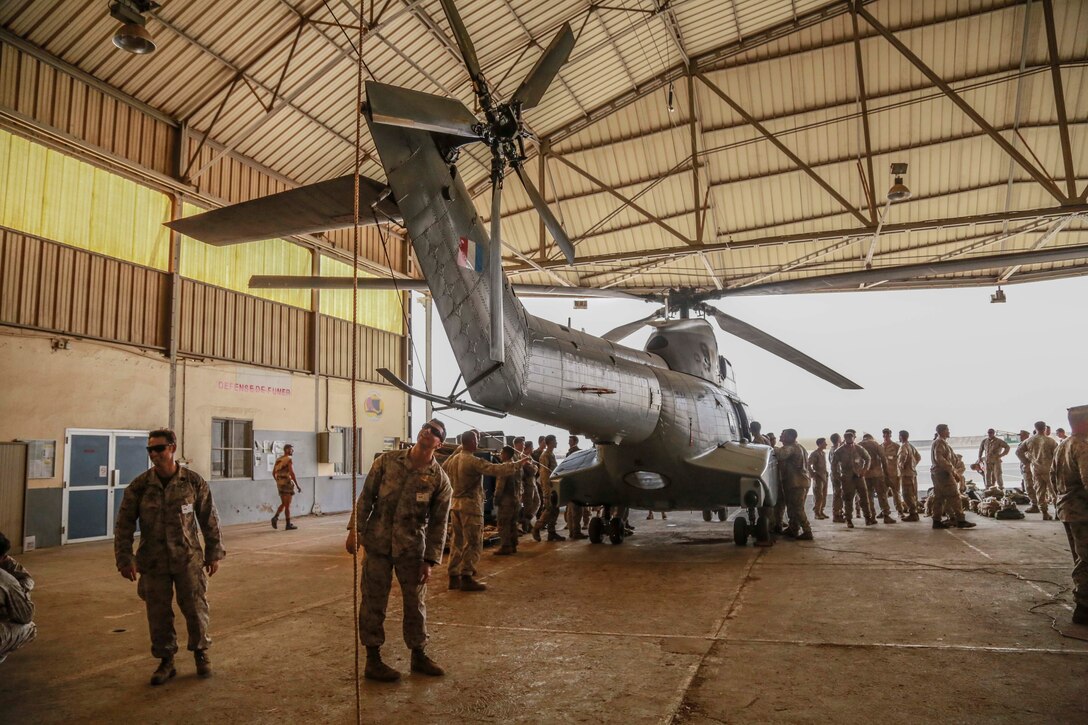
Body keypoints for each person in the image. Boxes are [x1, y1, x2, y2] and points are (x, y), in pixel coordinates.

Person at [114, 428, 225, 685]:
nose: (154, 454)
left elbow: (209, 519)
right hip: (153, 562)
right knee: (158, 613)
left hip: (188, 559)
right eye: (150, 449)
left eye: (159, 448)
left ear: (172, 448)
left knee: (196, 608)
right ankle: (166, 661)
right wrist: (124, 558)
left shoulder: (193, 482)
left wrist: (214, 553)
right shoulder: (140, 486)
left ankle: (201, 652)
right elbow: (124, 525)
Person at [346, 418, 452, 681]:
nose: (427, 431)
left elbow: (440, 523)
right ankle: (373, 659)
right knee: (373, 601)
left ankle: (418, 655)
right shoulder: (387, 461)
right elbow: (366, 497)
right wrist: (354, 530)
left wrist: (430, 560)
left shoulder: (439, 480)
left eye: (435, 432)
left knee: (415, 603)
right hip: (378, 544)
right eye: (426, 427)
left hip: (412, 550)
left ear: (439, 444)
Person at [442, 430, 522, 591]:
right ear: (471, 441)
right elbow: (495, 469)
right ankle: (467, 576)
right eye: (477, 439)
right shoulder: (472, 461)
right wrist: (519, 463)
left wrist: (459, 449)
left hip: (455, 505)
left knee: (456, 542)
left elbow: (443, 467)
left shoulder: (453, 460)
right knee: (473, 542)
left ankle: (453, 576)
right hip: (470, 507)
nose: (478, 442)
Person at [1052, 405, 1088, 625]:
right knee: (1086, 559)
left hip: (1067, 509)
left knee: (1081, 556)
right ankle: (1084, 606)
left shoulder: (1062, 445)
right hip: (1082, 511)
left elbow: (1053, 478)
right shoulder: (1082, 446)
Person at [0, 531, 35, 664]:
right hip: (11, 590)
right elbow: (25, 616)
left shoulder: (7, 563)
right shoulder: (5, 580)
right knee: (29, 627)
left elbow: (27, 579)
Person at [932, 424, 976, 530]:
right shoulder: (939, 443)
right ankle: (960, 520)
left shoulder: (942, 443)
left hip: (940, 473)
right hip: (944, 474)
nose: (949, 432)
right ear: (941, 431)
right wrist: (953, 472)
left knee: (939, 497)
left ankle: (936, 521)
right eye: (947, 430)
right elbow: (940, 459)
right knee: (955, 496)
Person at [775, 429, 813, 540]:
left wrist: (771, 447)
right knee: (791, 507)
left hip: (797, 483)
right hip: (800, 481)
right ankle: (793, 528)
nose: (780, 436)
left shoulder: (791, 448)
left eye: (783, 435)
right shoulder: (800, 447)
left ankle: (807, 530)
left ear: (790, 437)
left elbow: (781, 455)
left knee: (797, 508)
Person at [830, 431, 870, 529]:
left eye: (851, 438)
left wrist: (864, 470)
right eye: (847, 438)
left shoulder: (859, 449)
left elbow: (868, 458)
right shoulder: (839, 451)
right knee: (848, 499)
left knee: (864, 497)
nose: (849, 440)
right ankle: (849, 519)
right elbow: (833, 465)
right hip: (847, 478)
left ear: (853, 438)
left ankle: (867, 517)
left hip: (859, 476)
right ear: (844, 438)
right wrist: (838, 476)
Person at [532, 435, 564, 542]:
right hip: (549, 488)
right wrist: (547, 491)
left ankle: (551, 532)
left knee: (555, 510)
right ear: (550, 442)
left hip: (554, 487)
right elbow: (544, 474)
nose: (557, 443)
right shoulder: (544, 455)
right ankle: (536, 528)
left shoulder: (551, 454)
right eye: (555, 441)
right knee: (549, 510)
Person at [860, 433, 896, 525]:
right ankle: (886, 515)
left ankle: (871, 517)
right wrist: (887, 475)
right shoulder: (875, 444)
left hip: (865, 475)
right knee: (882, 495)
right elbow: (883, 459)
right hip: (877, 474)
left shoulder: (859, 445)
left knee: (868, 497)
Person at [493, 446, 523, 556]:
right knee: (513, 523)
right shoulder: (517, 466)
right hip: (516, 500)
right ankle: (513, 544)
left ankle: (506, 546)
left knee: (503, 523)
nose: (500, 455)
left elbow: (500, 486)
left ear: (506, 454)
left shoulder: (504, 467)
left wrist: (496, 500)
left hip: (506, 501)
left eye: (501, 453)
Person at [271, 444, 301, 530]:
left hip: (280, 483)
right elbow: (292, 473)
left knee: (284, 503)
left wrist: (278, 481)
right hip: (287, 483)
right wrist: (297, 485)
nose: (292, 451)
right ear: (287, 450)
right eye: (291, 449)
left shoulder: (278, 459)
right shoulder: (289, 459)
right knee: (287, 505)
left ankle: (277, 518)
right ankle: (286, 524)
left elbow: (273, 473)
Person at [896, 430, 922, 521]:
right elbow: (918, 457)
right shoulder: (910, 446)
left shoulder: (903, 447)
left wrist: (902, 467)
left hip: (906, 474)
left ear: (901, 437)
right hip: (912, 473)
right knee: (913, 494)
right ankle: (915, 513)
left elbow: (902, 459)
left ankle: (913, 513)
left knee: (907, 494)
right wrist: (913, 466)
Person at [881, 428, 904, 518]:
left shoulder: (896, 446)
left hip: (894, 474)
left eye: (888, 435)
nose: (886, 437)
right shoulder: (880, 446)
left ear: (890, 435)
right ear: (883, 435)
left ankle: (900, 511)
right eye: (884, 435)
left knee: (896, 493)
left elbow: (901, 459)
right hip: (883, 474)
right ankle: (885, 511)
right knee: (883, 494)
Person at [1016, 430, 1037, 511]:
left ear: (1025, 435)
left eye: (1021, 435)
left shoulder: (1027, 443)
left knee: (1029, 486)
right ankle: (1036, 503)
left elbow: (1018, 453)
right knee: (1030, 486)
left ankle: (1034, 505)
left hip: (1028, 468)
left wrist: (1026, 463)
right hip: (1029, 467)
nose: (1020, 437)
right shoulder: (1028, 442)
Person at [808, 438, 829, 519]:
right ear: (819, 444)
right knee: (818, 496)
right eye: (824, 443)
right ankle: (817, 513)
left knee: (824, 495)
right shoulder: (814, 454)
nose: (826, 444)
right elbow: (808, 464)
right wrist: (812, 474)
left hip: (824, 476)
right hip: (818, 477)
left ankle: (821, 511)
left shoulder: (823, 453)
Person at [828, 432, 844, 522]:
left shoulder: (832, 449)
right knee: (838, 495)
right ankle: (836, 514)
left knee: (838, 494)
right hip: (837, 475)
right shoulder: (836, 450)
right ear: (838, 439)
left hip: (835, 474)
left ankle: (838, 513)